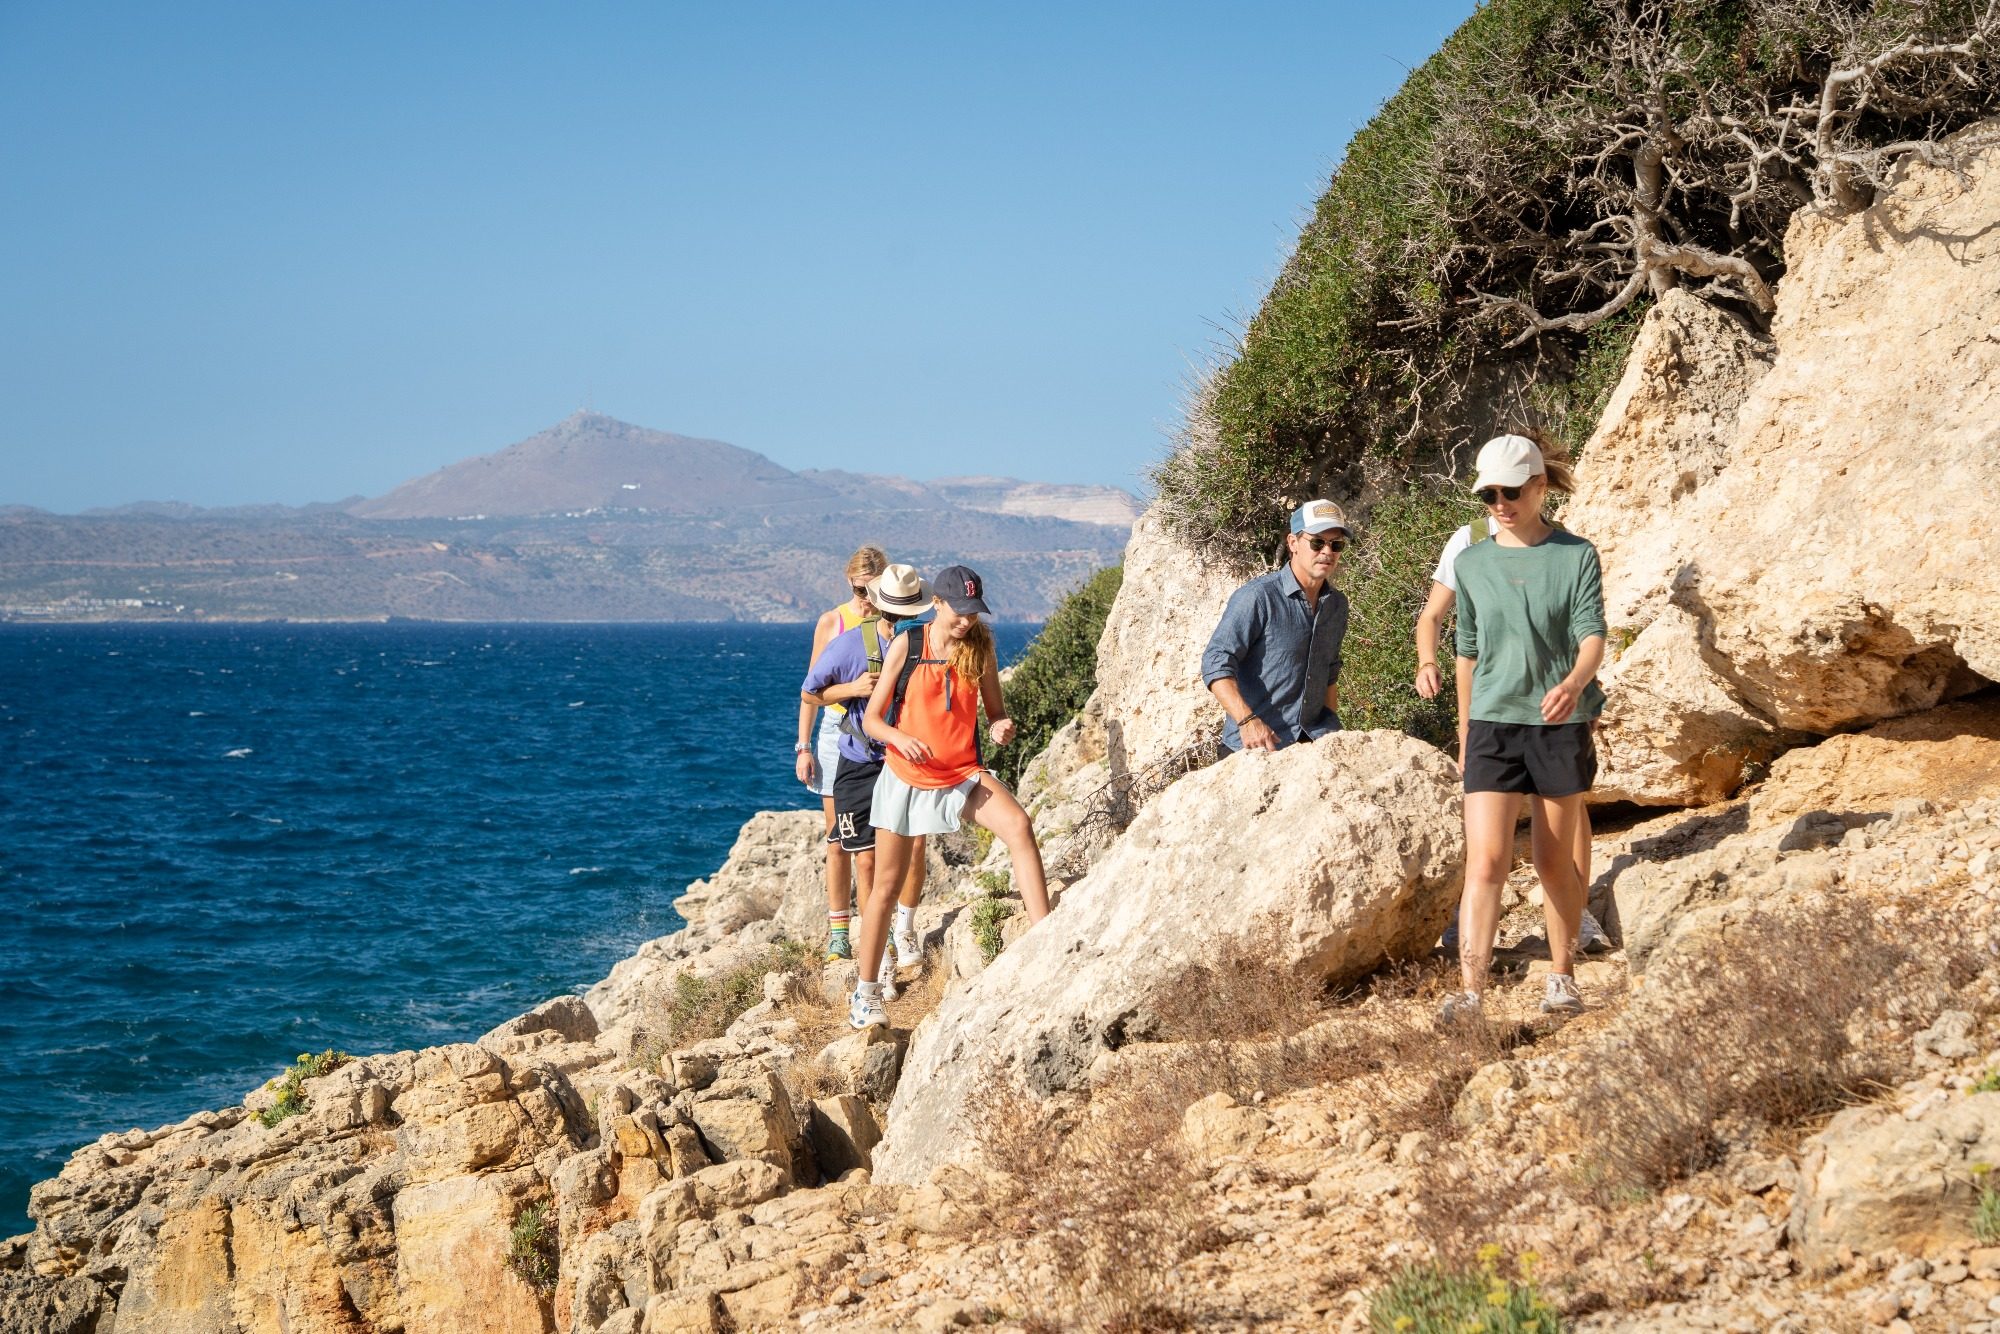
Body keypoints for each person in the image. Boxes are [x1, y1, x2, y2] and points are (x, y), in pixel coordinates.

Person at [1415, 437, 1610, 956]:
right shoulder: (1469, 550)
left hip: (1557, 712)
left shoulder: (1570, 550)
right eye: (1488, 494)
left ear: (1539, 486)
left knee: (1563, 833)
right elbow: (1452, 632)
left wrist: (1575, 686)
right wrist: (1438, 682)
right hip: (1495, 714)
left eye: (1510, 491)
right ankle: (1471, 964)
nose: (1500, 503)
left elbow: (1586, 630)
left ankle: (1574, 924)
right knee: (1486, 857)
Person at [848, 565, 1052, 1028]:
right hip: (905, 775)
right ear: (936, 604)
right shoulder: (908, 644)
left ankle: (1047, 942)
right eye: (959, 611)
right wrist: (900, 740)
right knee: (885, 886)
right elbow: (873, 720)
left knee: (1019, 826)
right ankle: (865, 993)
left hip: (960, 772)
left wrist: (1001, 726)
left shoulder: (981, 647)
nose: (966, 620)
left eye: (973, 612)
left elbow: (996, 711)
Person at [800, 563, 933, 995]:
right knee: (868, 860)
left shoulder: (926, 643)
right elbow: (811, 692)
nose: (897, 624)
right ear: (877, 609)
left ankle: (901, 931)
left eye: (906, 616)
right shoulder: (847, 644)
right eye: (892, 616)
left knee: (912, 849)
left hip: (905, 759)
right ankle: (881, 959)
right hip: (859, 761)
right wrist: (853, 689)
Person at [796, 546, 887, 961]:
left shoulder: (894, 624)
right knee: (839, 838)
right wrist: (803, 746)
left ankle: (879, 930)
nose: (866, 598)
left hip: (885, 731)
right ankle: (838, 933)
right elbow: (812, 690)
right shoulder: (832, 622)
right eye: (859, 589)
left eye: (873, 589)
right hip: (838, 732)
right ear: (848, 582)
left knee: (882, 839)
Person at [1202, 499, 1351, 753]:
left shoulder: (1337, 605)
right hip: (1255, 749)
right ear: (1293, 543)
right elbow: (1215, 662)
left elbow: (1329, 674)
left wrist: (1331, 733)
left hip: (1314, 746)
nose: (1327, 552)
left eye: (1335, 544)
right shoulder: (1258, 597)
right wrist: (1247, 721)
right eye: (1317, 542)